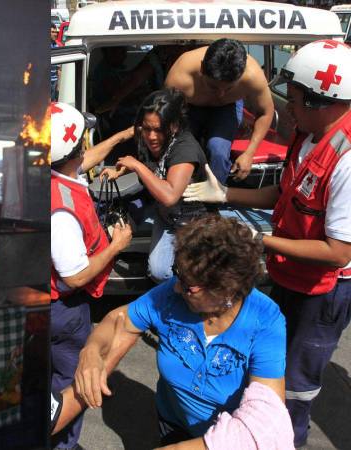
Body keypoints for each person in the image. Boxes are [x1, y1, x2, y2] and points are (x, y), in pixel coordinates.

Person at [182, 40, 351, 448]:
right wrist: (224, 195)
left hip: (323, 292)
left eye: (293, 101)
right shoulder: (311, 135)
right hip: (292, 275)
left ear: (322, 101)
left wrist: (261, 240)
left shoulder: (346, 159)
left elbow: (338, 252)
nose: (286, 110)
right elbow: (284, 193)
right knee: (268, 365)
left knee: (293, 387)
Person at [74, 215, 290, 448]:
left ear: (226, 288)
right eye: (178, 273)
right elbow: (121, 319)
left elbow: (264, 422)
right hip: (173, 424)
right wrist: (92, 349)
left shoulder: (266, 321)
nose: (177, 287)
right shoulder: (171, 295)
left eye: (188, 286)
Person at [51, 101, 133, 450]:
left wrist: (121, 137)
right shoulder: (60, 209)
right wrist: (116, 246)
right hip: (63, 310)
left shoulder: (52, 171)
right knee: (72, 383)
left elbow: (85, 159)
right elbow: (76, 277)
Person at [101, 88, 209, 283]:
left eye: (158, 130)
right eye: (146, 128)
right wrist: (120, 171)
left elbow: (169, 196)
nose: (150, 136)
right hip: (164, 215)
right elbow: (154, 167)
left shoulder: (184, 150)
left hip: (192, 222)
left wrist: (136, 165)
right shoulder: (151, 139)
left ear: (174, 126)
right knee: (158, 271)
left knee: (177, 274)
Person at [165, 38, 275, 183]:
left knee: (218, 151)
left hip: (227, 108)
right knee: (184, 149)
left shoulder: (253, 77)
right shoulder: (181, 76)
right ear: (202, 68)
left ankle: (213, 199)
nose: (220, 94)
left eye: (229, 88)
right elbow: (165, 114)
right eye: (213, 87)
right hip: (189, 109)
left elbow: (266, 112)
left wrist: (249, 153)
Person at [51, 24, 61, 101]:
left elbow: (58, 67)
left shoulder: (56, 46)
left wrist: (59, 82)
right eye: (52, 32)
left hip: (54, 80)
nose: (55, 34)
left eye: (56, 32)